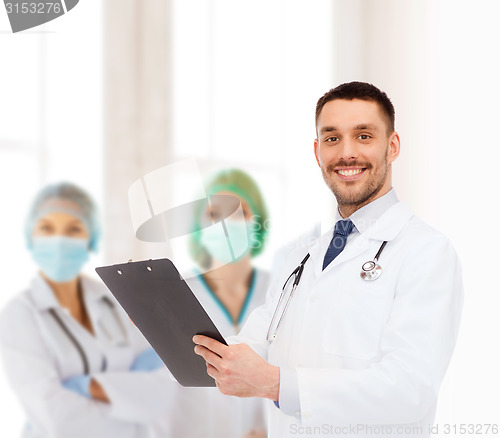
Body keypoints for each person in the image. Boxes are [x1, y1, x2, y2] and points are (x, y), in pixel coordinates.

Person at [192, 82, 464, 437]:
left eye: (364, 136)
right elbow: (253, 344)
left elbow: (409, 389)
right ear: (318, 151)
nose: (347, 153)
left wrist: (278, 385)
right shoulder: (302, 255)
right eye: (332, 139)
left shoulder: (426, 252)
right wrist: (173, 324)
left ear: (392, 146)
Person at [0, 182, 171, 438]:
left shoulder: (115, 298)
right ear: (30, 237)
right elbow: (56, 420)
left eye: (73, 229)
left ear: (90, 238)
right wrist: (126, 403)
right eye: (47, 228)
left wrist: (84, 387)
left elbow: (160, 393)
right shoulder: (20, 315)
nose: (59, 240)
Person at [153, 169, 269, 438]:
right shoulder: (172, 294)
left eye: (239, 212)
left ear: (258, 222)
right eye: (214, 214)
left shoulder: (281, 289)